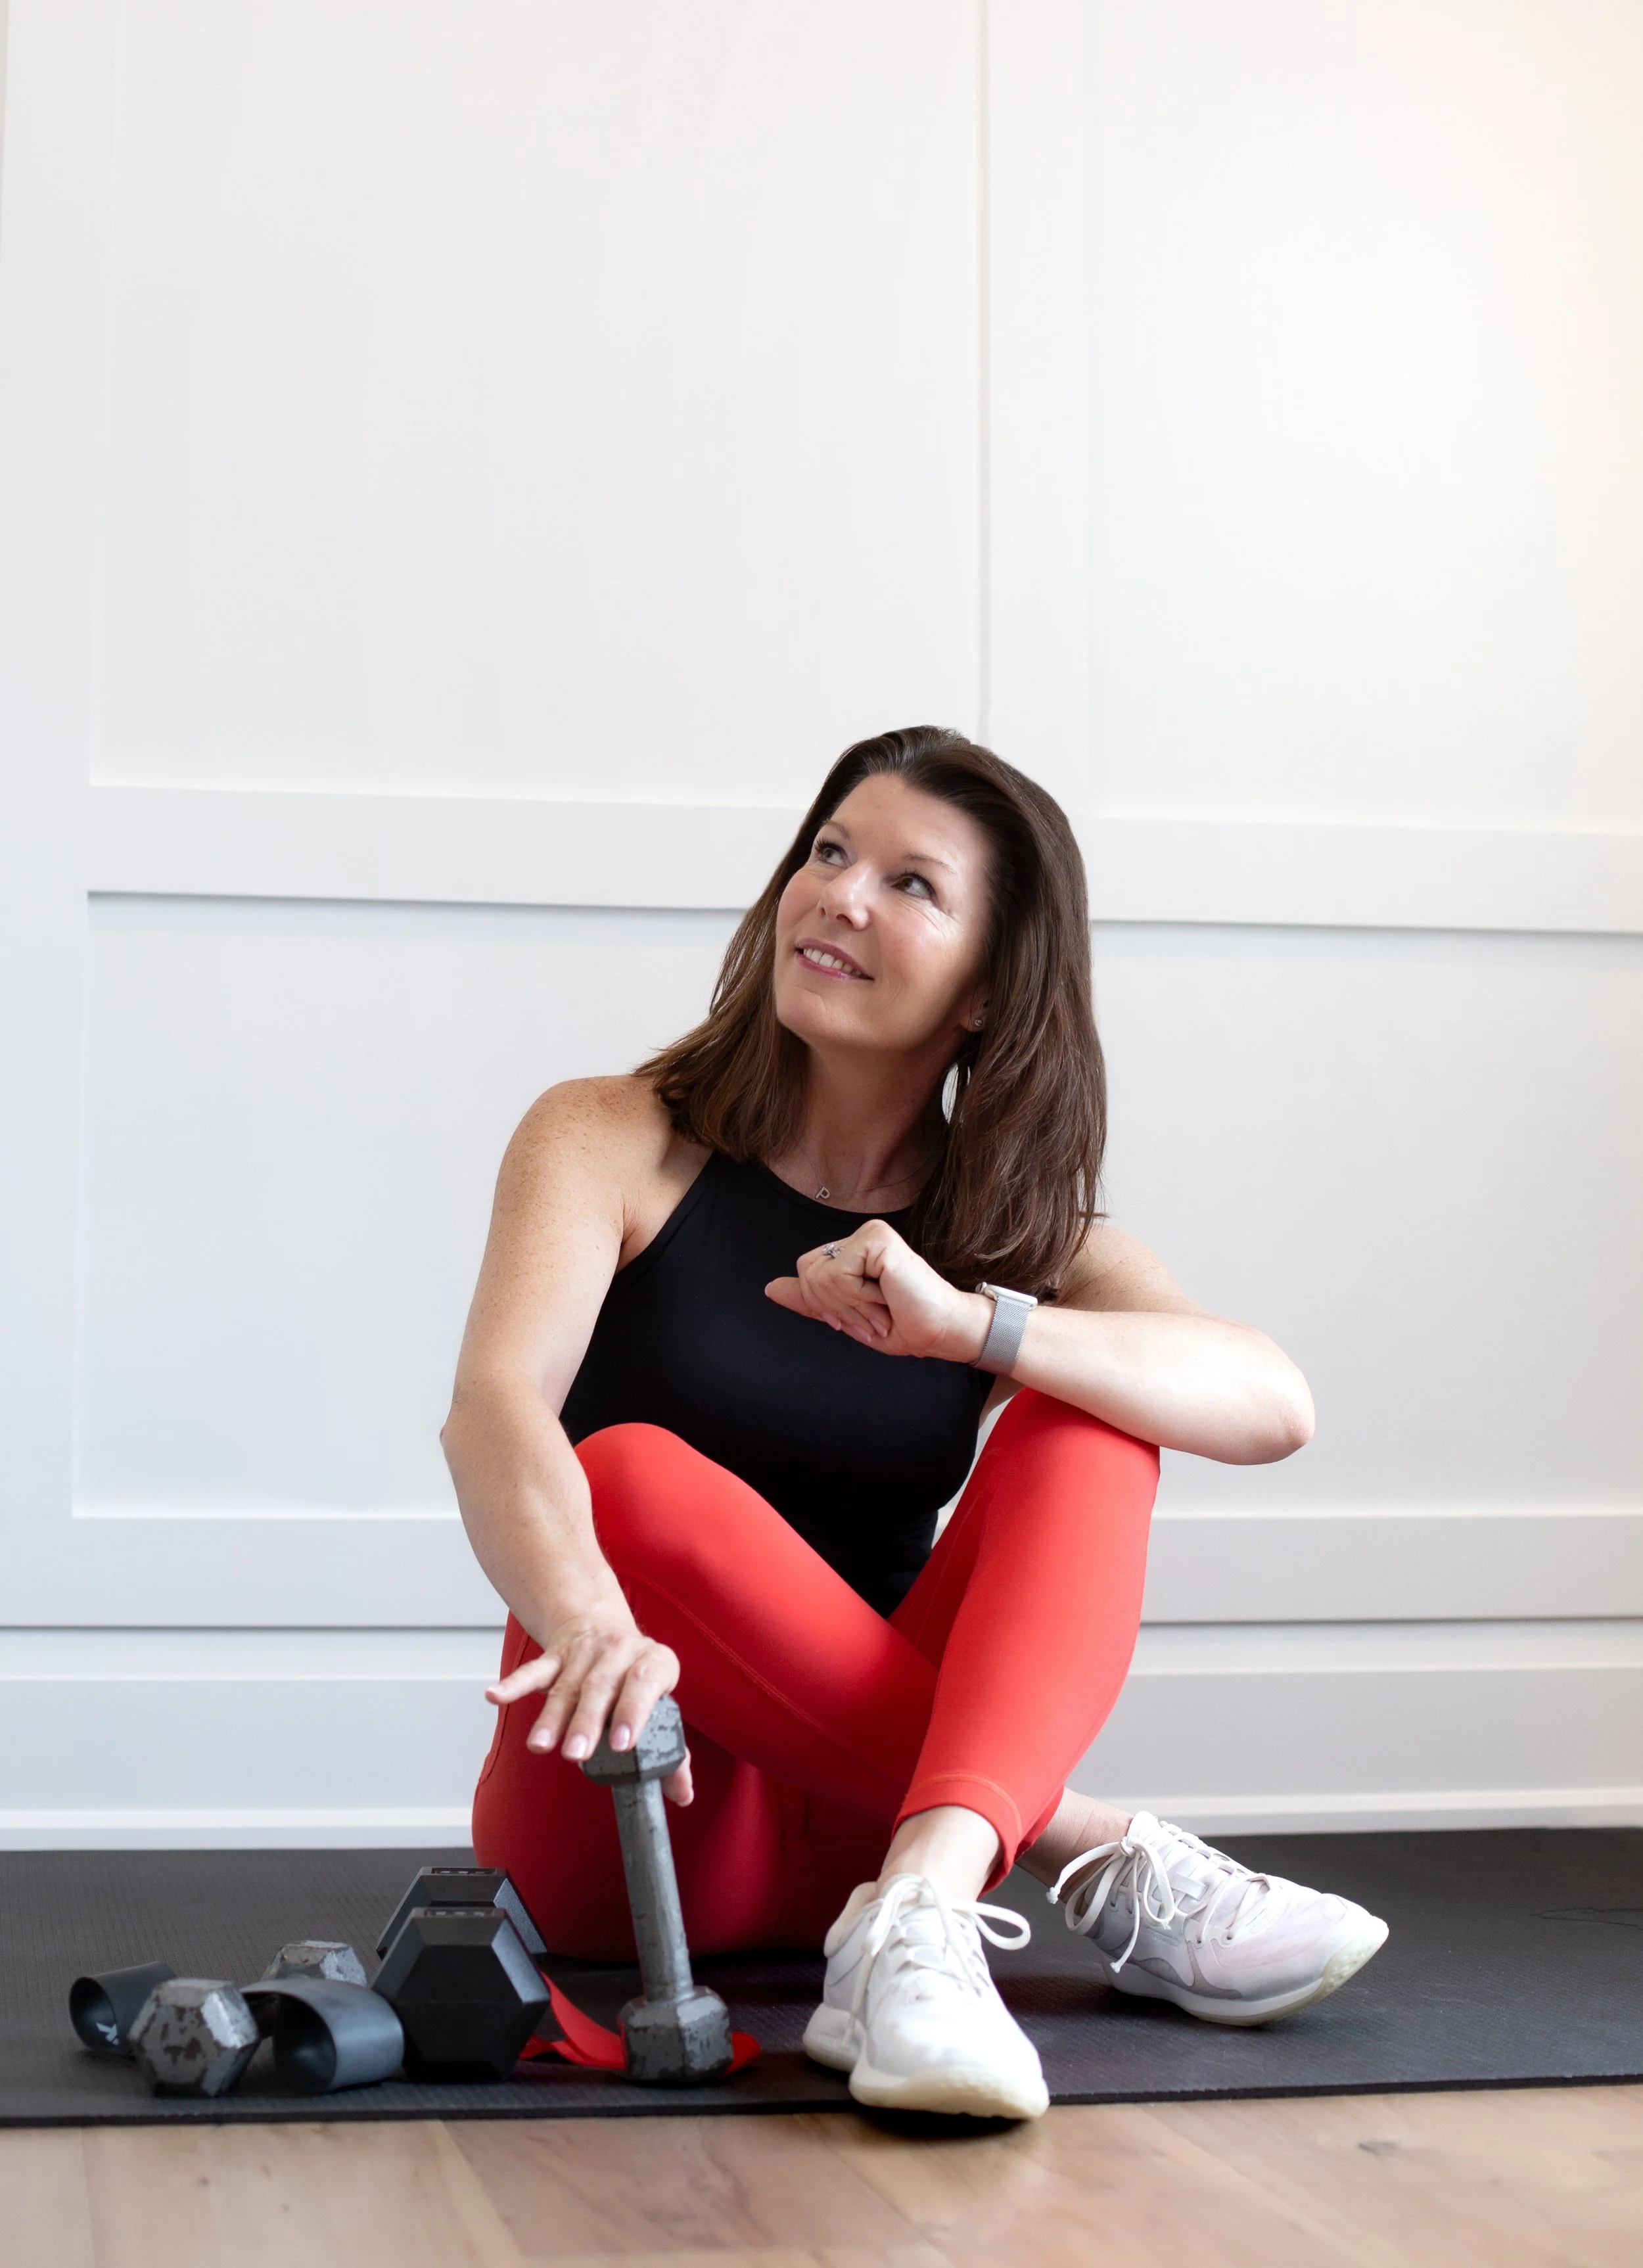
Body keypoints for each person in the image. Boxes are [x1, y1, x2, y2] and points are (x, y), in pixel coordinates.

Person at [443, 726, 1387, 2121]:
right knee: (628, 1475)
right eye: (827, 855)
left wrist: (971, 1326)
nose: (837, 895)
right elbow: (492, 1409)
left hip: (879, 1841)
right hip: (638, 1801)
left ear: (985, 993)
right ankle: (1081, 1851)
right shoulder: (609, 1137)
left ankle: (916, 1922)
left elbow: (1270, 1403)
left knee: (1091, 1416)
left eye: (909, 884)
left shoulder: (1009, 1236)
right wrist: (584, 1614)